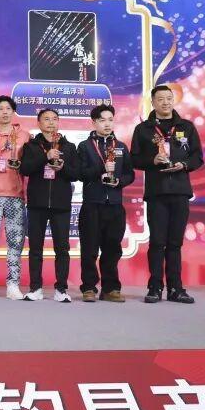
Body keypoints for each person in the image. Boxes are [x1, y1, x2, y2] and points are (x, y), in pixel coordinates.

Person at [130, 84, 203, 304]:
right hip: (157, 193)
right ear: (153, 102)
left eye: (169, 98)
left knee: (175, 243)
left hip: (180, 191)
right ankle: (154, 287)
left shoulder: (186, 127)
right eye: (160, 99)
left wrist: (184, 165)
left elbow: (197, 157)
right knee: (157, 242)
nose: (165, 102)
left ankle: (176, 289)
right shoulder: (143, 129)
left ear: (174, 100)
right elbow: (134, 159)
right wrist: (152, 160)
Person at [19, 108, 79, 303]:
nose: (51, 122)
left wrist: (62, 167)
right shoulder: (31, 146)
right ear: (39, 123)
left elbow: (76, 174)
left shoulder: (69, 147)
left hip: (61, 205)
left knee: (62, 248)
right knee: (35, 248)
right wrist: (45, 157)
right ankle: (35, 288)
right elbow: (25, 169)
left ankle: (61, 289)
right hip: (37, 204)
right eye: (46, 119)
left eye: (54, 119)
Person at [77, 104, 135, 302]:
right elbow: (80, 173)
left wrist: (119, 181)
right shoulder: (84, 146)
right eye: (102, 120)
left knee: (112, 248)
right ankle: (89, 288)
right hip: (92, 204)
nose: (107, 124)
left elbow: (130, 174)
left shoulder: (121, 147)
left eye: (110, 119)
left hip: (115, 205)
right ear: (94, 122)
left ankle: (110, 289)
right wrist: (100, 171)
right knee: (89, 248)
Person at [0, 96, 30, 301]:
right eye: (0, 109)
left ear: (13, 111)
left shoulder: (25, 136)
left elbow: (30, 166)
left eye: (8, 108)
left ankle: (13, 283)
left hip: (15, 196)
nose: (5, 112)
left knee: (15, 242)